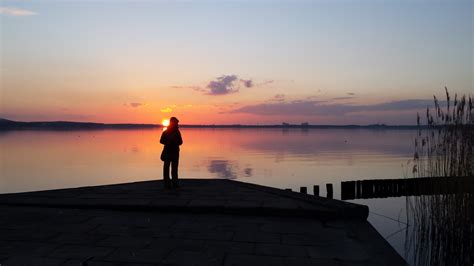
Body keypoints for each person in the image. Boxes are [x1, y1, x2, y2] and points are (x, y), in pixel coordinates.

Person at [160, 117, 183, 189]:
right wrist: (169, 142)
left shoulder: (176, 132)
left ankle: (173, 184)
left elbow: (180, 142)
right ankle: (169, 184)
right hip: (169, 152)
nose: (177, 124)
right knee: (168, 168)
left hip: (174, 152)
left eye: (177, 123)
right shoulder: (166, 132)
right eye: (176, 122)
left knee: (173, 169)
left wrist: (174, 142)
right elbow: (161, 141)